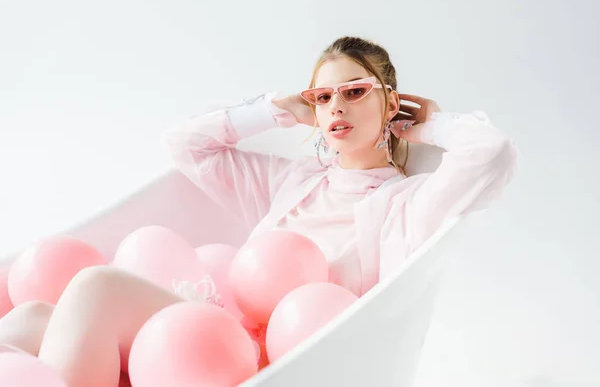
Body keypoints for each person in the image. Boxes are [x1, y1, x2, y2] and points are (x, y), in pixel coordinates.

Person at [0, 36, 518, 386]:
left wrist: (430, 124)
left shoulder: (405, 205)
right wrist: (276, 109)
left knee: (96, 288)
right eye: (323, 96)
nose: (336, 107)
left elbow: (491, 155)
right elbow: (183, 145)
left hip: (266, 361)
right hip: (196, 336)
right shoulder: (290, 183)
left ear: (390, 104)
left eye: (356, 92)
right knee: (31, 318)